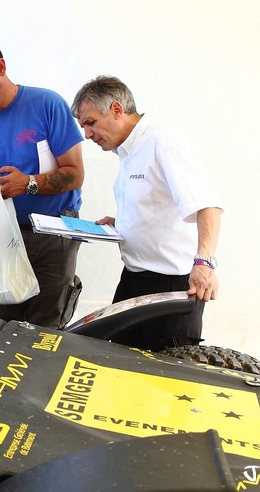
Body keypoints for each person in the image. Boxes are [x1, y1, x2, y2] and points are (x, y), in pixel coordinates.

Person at [70, 75, 223, 351]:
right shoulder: (127, 150)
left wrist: (204, 264)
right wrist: (123, 223)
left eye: (91, 123)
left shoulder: (164, 142)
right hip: (133, 280)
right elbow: (156, 203)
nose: (87, 135)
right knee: (117, 362)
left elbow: (207, 206)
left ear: (117, 110)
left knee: (168, 379)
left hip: (170, 288)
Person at [0, 38, 85, 329]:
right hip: (2, 235)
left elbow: (75, 174)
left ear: (1, 66)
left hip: (53, 236)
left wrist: (28, 184)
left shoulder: (47, 104)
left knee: (46, 329)